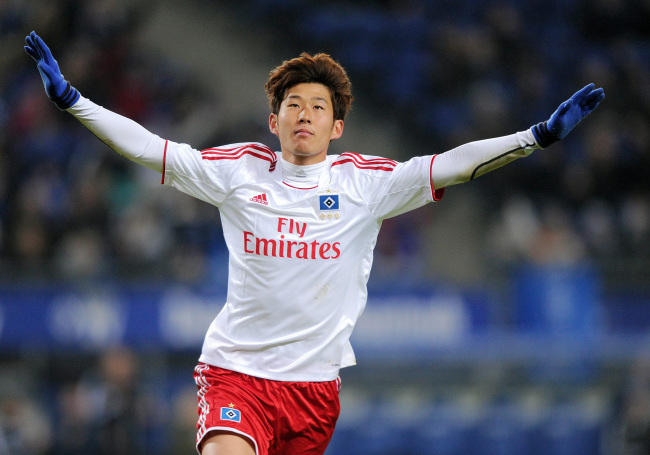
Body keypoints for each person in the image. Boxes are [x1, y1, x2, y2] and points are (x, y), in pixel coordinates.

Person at [24, 30, 604, 455]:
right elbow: (151, 148)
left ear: (338, 126)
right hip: (236, 375)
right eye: (292, 106)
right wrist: (76, 102)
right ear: (273, 120)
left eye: (317, 107)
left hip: (313, 393)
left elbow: (453, 165)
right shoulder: (239, 172)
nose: (304, 115)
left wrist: (536, 137)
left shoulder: (369, 184)